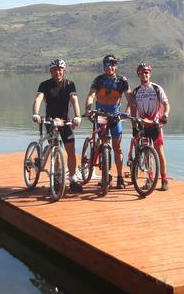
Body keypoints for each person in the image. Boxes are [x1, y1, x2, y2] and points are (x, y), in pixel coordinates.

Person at [31, 58, 83, 193]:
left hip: (65, 121)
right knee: (55, 148)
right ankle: (57, 179)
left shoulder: (70, 84)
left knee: (71, 149)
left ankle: (72, 179)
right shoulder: (44, 85)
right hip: (50, 120)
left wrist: (77, 116)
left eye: (60, 69)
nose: (57, 72)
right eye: (55, 70)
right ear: (51, 71)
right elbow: (38, 99)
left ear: (64, 71)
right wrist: (35, 113)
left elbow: (75, 100)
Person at [84, 54, 131, 188]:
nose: (109, 67)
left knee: (117, 148)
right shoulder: (98, 80)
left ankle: (120, 177)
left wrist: (127, 112)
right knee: (104, 143)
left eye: (112, 64)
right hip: (101, 115)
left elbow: (130, 98)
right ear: (104, 67)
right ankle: (106, 175)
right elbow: (91, 95)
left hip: (116, 116)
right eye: (106, 65)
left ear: (116, 66)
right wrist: (88, 109)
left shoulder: (122, 81)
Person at [128, 62, 171, 191]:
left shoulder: (157, 89)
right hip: (143, 126)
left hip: (155, 125)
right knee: (146, 152)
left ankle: (164, 179)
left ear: (150, 73)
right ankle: (150, 178)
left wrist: (166, 115)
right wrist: (134, 126)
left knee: (159, 152)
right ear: (138, 75)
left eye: (146, 72)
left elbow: (166, 104)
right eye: (141, 73)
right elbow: (132, 109)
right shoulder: (135, 91)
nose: (144, 75)